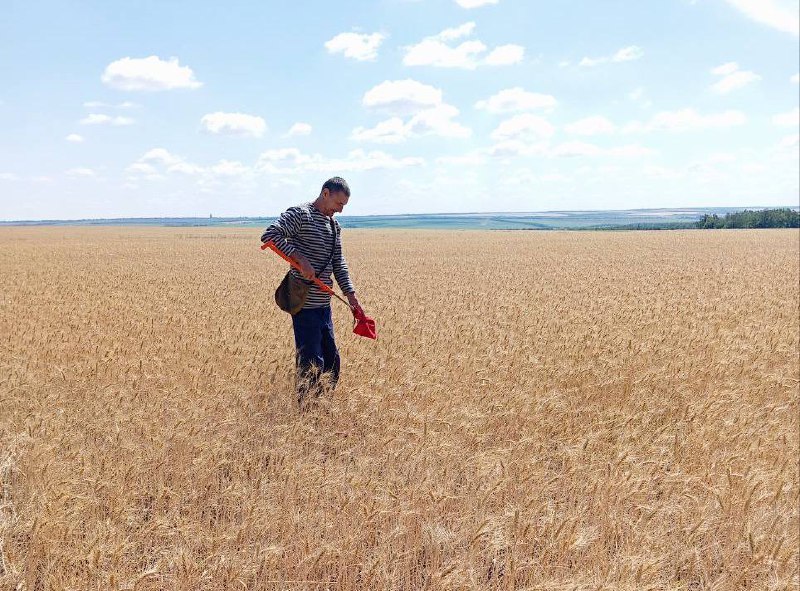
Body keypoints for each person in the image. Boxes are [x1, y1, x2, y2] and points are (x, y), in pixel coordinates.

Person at [261, 177, 364, 407]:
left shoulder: (333, 227)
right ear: (325, 193)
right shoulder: (300, 214)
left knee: (332, 362)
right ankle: (306, 415)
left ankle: (321, 408)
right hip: (304, 303)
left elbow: (339, 263)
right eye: (338, 204)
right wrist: (300, 259)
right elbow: (270, 235)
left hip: (323, 306)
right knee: (310, 363)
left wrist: (351, 295)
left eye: (344, 206)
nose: (340, 210)